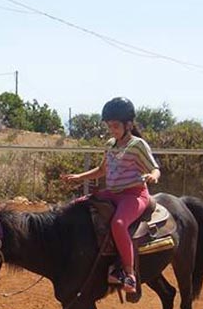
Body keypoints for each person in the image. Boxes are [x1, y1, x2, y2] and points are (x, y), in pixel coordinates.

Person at [62, 97, 160, 293]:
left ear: (129, 124)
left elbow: (155, 168)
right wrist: (78, 177)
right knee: (78, 205)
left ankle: (129, 274)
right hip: (113, 193)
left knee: (118, 224)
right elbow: (101, 170)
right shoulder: (110, 144)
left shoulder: (138, 145)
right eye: (109, 125)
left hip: (134, 195)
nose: (112, 129)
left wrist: (152, 176)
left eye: (115, 125)